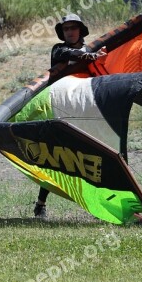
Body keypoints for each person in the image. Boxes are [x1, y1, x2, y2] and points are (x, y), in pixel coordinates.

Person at [34, 14, 105, 219]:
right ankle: (40, 204)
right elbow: (70, 53)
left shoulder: (92, 50)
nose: (70, 32)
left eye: (73, 28)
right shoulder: (59, 49)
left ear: (81, 30)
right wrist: (91, 56)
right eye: (66, 29)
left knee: (92, 158)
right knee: (54, 156)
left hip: (85, 108)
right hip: (60, 108)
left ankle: (97, 205)